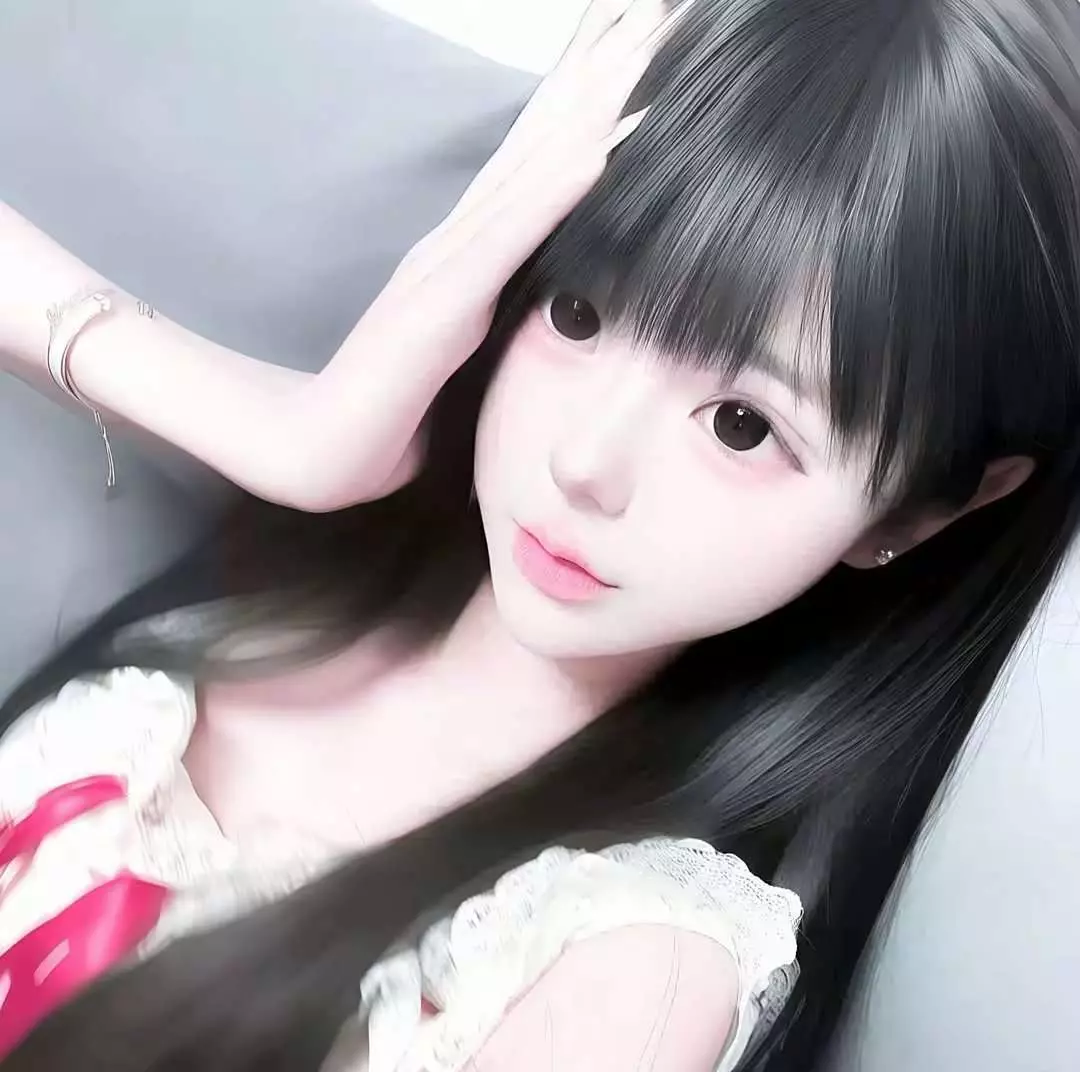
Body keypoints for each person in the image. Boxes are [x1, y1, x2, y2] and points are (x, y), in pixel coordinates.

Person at [1, 0, 1078, 1068]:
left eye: (743, 426)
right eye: (579, 313)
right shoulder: (274, 602)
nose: (585, 463)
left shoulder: (623, 968)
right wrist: (288, 437)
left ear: (918, 511)